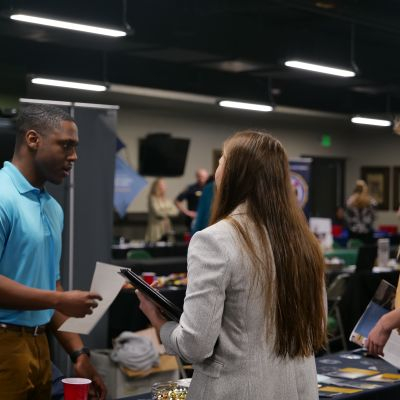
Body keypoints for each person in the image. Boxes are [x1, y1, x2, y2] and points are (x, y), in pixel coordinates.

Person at [137, 130, 327, 399]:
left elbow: (195, 346)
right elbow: (318, 325)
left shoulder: (213, 241)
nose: (216, 170)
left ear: (235, 174)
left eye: (221, 161)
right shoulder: (305, 242)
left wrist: (158, 322)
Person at [0, 104, 106, 400]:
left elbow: (50, 287)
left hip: (39, 343)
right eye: (66, 145)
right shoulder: (2, 196)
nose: (74, 156)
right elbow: (54, 296)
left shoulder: (52, 208)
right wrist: (59, 300)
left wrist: (79, 354)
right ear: (33, 139)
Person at [145, 178, 178, 242]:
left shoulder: (166, 199)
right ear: (157, 187)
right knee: (157, 244)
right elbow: (158, 213)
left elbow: (175, 211)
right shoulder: (152, 198)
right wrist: (168, 210)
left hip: (166, 227)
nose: (165, 187)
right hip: (156, 228)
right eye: (163, 185)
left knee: (168, 244)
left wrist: (163, 210)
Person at [344, 179, 377, 244]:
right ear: (365, 189)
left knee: (354, 249)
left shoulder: (350, 201)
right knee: (367, 250)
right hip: (367, 232)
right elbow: (374, 216)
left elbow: (347, 217)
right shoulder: (371, 201)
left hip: (354, 232)